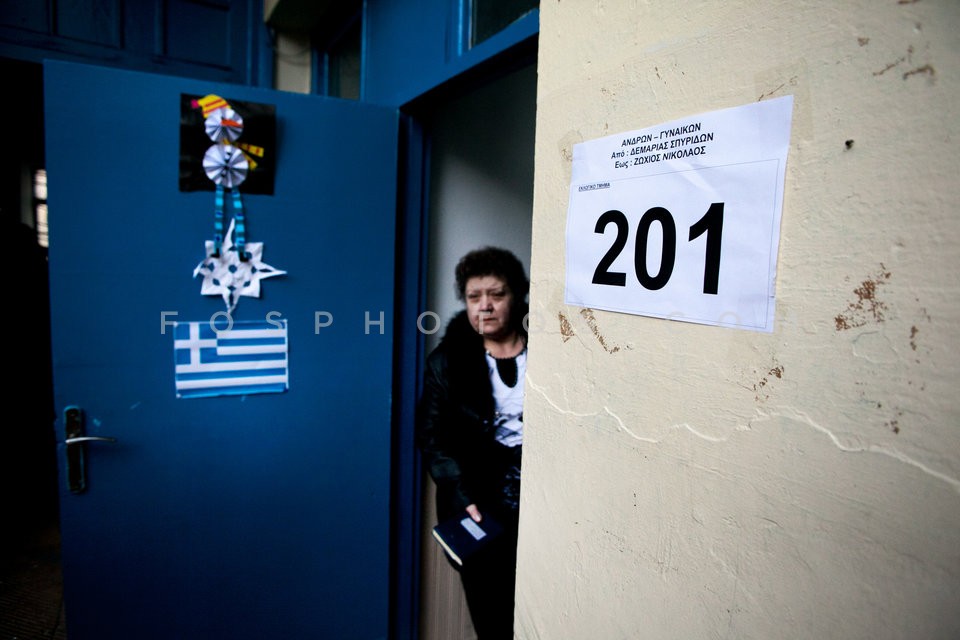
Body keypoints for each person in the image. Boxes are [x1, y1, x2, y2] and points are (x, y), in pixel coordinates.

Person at [417, 246, 529, 640]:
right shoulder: (447, 362)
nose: (485, 306)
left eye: (497, 294)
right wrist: (462, 493)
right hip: (477, 503)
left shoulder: (552, 351)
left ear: (517, 296)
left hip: (539, 499)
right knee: (492, 615)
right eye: (474, 296)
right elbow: (433, 438)